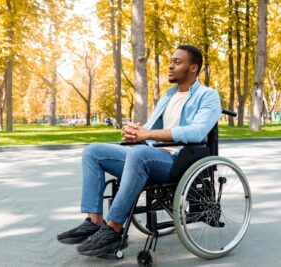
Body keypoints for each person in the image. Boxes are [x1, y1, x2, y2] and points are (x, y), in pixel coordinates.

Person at [57, 44, 221, 257]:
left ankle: (113, 229)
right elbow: (152, 129)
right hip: (148, 153)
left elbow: (197, 132)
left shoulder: (208, 96)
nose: (170, 66)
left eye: (177, 62)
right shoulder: (168, 95)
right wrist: (136, 131)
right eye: (171, 61)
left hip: (178, 160)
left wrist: (147, 135)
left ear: (193, 68)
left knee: (138, 154)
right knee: (93, 151)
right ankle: (94, 222)